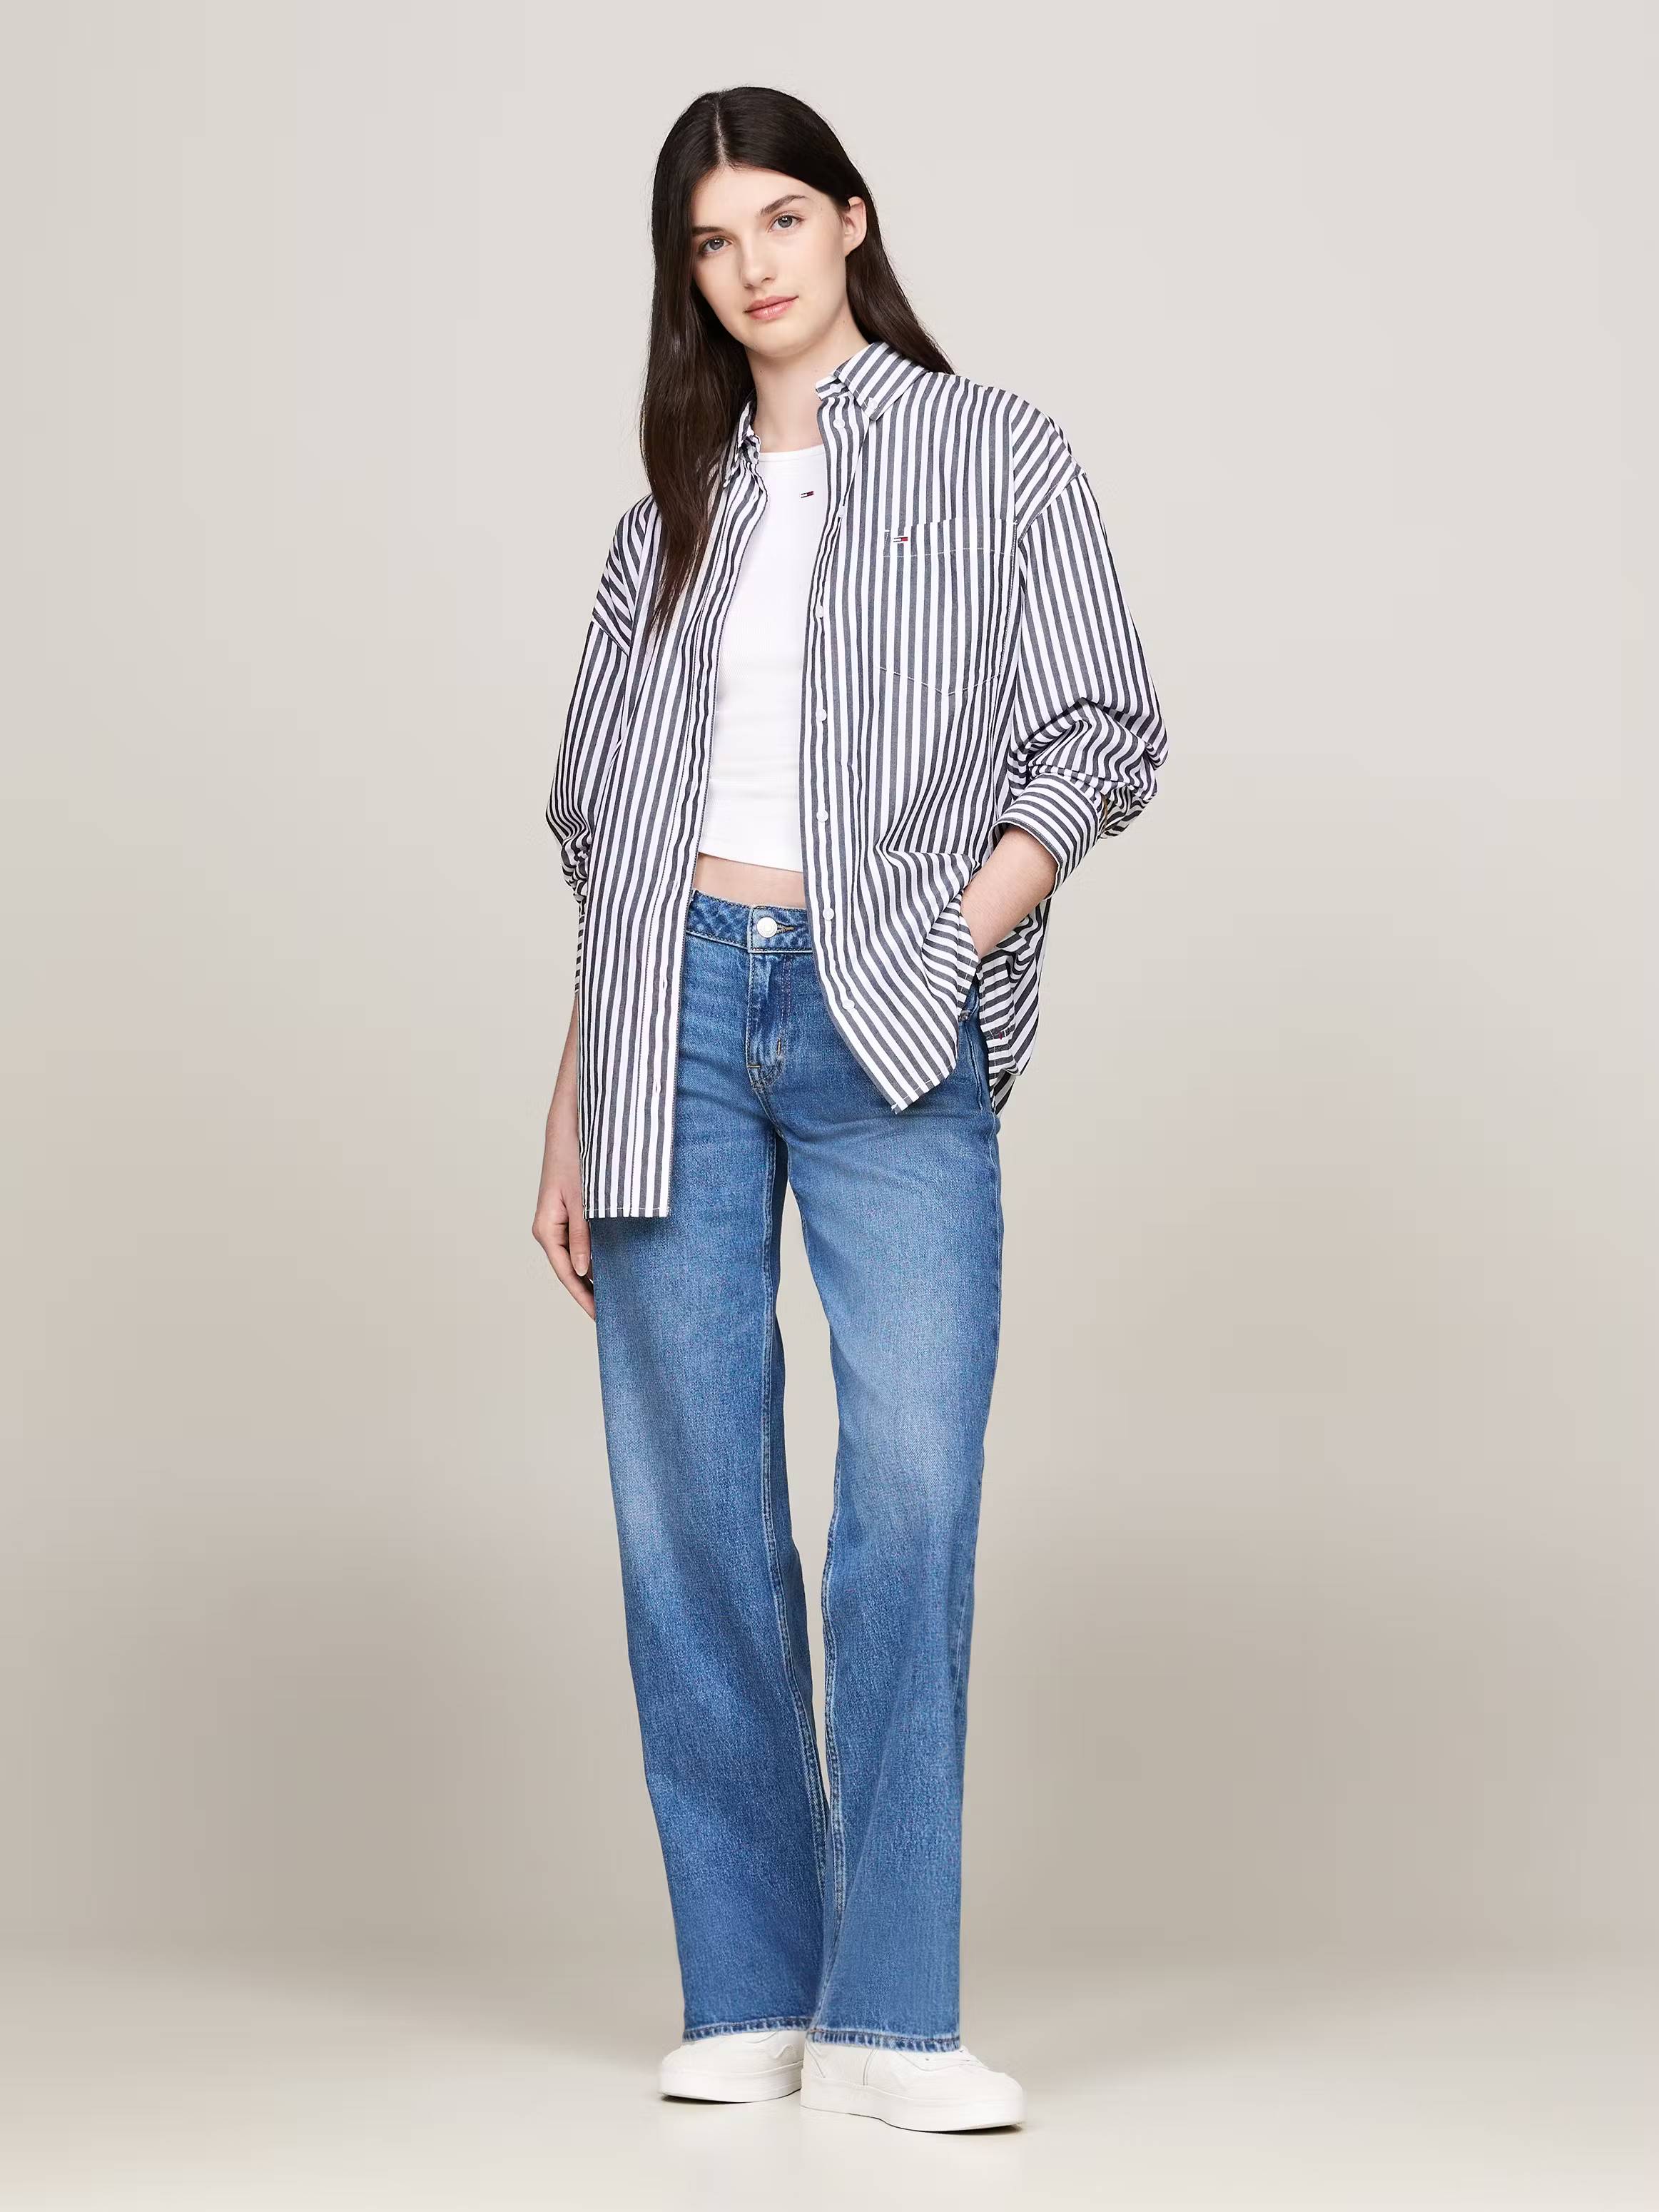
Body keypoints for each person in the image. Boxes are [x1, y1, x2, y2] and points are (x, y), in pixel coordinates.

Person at [534, 84, 1168, 2134]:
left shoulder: (996, 453)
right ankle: (746, 1986)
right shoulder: (667, 513)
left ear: (853, 222)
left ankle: (892, 2015)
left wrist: (955, 935)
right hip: (668, 1016)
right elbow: (605, 826)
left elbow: (1104, 724)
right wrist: (573, 1099)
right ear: (691, 277)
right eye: (713, 242)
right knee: (689, 1504)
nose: (755, 267)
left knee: (907, 1488)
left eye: (784, 219)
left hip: (889, 1006)